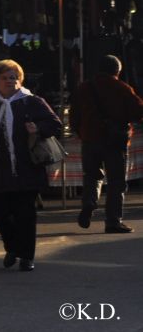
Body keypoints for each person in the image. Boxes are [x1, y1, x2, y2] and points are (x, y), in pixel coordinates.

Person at [0, 58, 63, 271]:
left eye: (14, 77)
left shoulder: (32, 101)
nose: (10, 81)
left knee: (25, 214)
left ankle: (26, 256)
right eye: (5, 78)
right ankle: (12, 247)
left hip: (26, 169)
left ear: (20, 80)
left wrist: (37, 128)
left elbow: (55, 124)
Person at [72, 54, 143, 233]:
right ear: (117, 70)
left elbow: (74, 115)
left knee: (92, 176)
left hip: (89, 140)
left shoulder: (84, 88)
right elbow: (138, 112)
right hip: (114, 141)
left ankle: (89, 203)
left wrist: (81, 132)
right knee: (116, 182)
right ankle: (113, 221)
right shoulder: (122, 88)